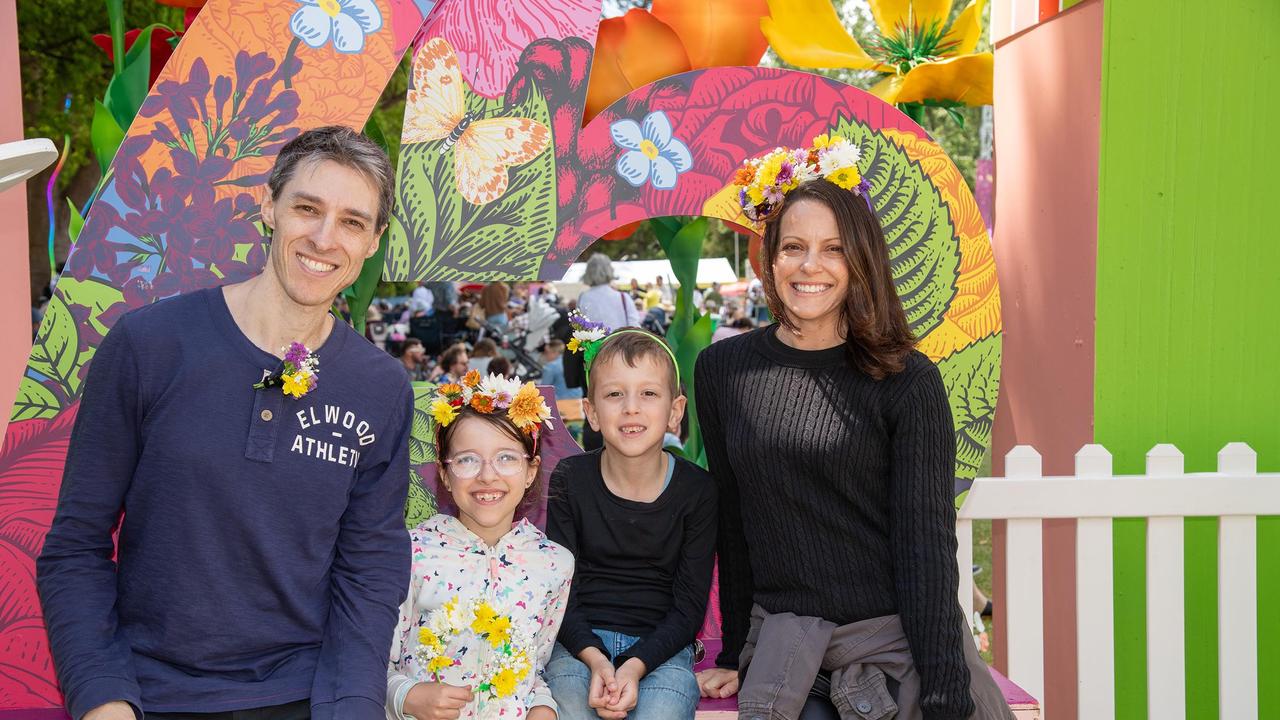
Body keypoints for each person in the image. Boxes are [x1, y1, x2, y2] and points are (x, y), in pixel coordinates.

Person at [36, 126, 414, 720]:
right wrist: (103, 699)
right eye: (307, 209)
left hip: (302, 695)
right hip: (146, 695)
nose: (323, 238)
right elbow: (75, 547)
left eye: (352, 221)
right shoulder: (149, 344)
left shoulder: (380, 388)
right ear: (268, 205)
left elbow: (369, 570)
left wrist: (352, 707)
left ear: (372, 242)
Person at [694, 138, 1012, 719]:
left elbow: (925, 547)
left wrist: (943, 688)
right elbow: (735, 525)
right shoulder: (723, 370)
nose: (809, 265)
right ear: (771, 259)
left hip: (889, 642)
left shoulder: (907, 381)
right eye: (793, 247)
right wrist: (738, 647)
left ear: (860, 261)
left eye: (833, 249)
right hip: (785, 645)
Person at [545, 329, 716, 720]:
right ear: (591, 411)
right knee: (568, 708)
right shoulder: (570, 479)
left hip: (662, 651)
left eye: (649, 394)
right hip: (577, 646)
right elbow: (559, 591)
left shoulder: (698, 491)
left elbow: (689, 608)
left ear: (675, 411)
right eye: (614, 394)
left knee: (662, 714)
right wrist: (599, 661)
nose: (631, 408)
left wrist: (634, 665)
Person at [386, 374, 570, 720]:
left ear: (531, 471)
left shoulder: (553, 565)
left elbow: (534, 665)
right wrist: (406, 696)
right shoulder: (411, 554)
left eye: (506, 458)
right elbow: (371, 665)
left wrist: (541, 705)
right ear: (444, 473)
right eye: (467, 460)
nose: (487, 475)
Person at [577, 253, 641, 331]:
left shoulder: (583, 297)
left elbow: (579, 328)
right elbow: (635, 328)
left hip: (592, 342)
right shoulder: (623, 297)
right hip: (620, 342)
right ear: (609, 270)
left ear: (588, 272)